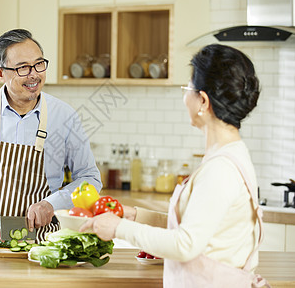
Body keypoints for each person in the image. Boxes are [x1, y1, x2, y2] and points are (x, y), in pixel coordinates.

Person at [81, 44, 270, 287]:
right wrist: (136, 216)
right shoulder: (228, 155)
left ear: (203, 101)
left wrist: (119, 228)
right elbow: (197, 226)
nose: (184, 98)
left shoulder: (220, 169)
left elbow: (186, 244)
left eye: (188, 89)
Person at [0, 29, 101, 240]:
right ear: (0, 73)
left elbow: (90, 178)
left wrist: (52, 204)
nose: (34, 74)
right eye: (23, 68)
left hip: (41, 243)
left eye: (39, 64)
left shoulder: (64, 115)